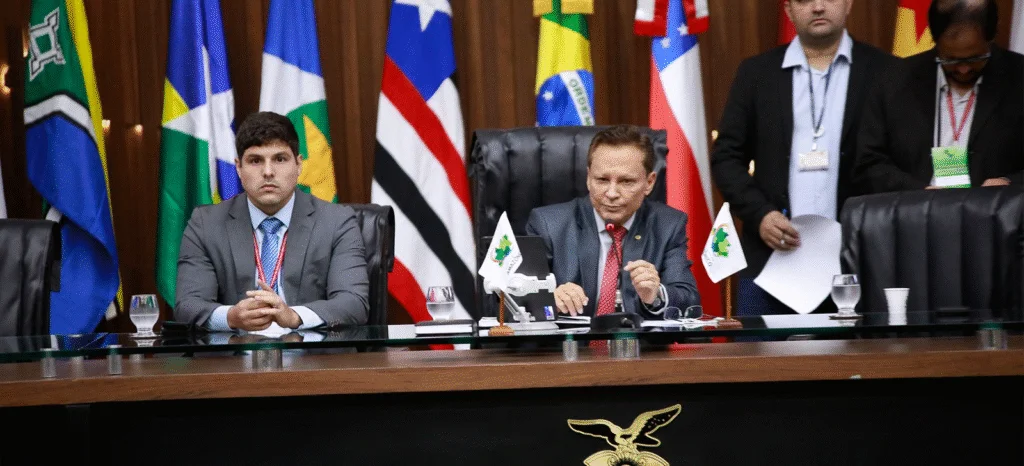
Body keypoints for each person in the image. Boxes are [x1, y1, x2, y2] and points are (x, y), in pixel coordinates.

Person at [710, 0, 896, 316]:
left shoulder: (886, 71)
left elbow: (898, 159)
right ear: (788, 10)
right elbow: (726, 157)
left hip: (858, 260)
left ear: (849, 4)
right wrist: (760, 214)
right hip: (772, 257)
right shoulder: (757, 73)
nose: (818, 6)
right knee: (760, 349)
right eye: (805, 0)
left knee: (859, 350)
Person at [174, 111, 369, 331]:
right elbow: (187, 305)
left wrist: (294, 316)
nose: (268, 172)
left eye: (280, 159)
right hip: (237, 350)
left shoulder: (337, 222)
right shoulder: (206, 224)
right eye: (255, 161)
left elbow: (354, 303)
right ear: (238, 167)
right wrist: (230, 317)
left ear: (299, 165)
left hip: (309, 350)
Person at [526, 125, 700, 318]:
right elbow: (517, 300)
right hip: (573, 338)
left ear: (649, 183)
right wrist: (550, 300)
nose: (611, 193)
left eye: (626, 181)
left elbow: (689, 301)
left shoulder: (668, 225)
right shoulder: (548, 225)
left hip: (638, 338)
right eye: (602, 180)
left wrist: (656, 294)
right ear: (588, 178)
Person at [855, 0, 1024, 192]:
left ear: (992, 37)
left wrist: (1009, 183)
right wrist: (919, 193)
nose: (963, 69)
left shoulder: (1018, 78)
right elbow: (868, 164)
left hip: (995, 209)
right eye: (951, 59)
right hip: (917, 208)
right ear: (935, 41)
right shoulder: (894, 80)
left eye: (974, 58)